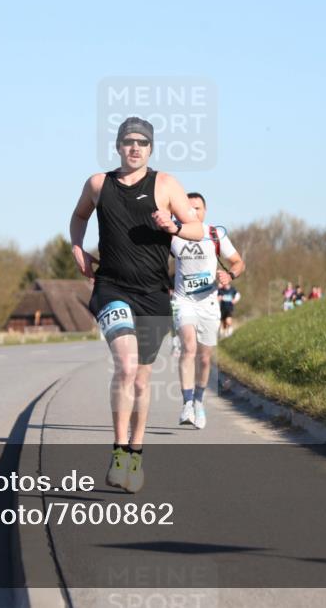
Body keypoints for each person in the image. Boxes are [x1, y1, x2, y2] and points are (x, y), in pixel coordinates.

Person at [70, 116, 203, 493]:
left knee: (142, 380)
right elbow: (79, 216)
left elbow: (195, 228)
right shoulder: (99, 184)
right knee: (126, 366)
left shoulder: (166, 184)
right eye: (128, 141)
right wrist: (78, 247)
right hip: (112, 286)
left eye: (142, 143)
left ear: (150, 148)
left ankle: (135, 453)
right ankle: (116, 451)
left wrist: (172, 226)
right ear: (118, 146)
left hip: (153, 295)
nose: (135, 148)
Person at [171, 193, 244, 429]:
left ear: (205, 211)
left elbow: (238, 262)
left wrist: (229, 274)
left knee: (205, 358)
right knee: (189, 347)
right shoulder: (173, 235)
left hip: (209, 303)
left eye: (198, 208)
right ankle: (187, 403)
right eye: (189, 208)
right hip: (184, 301)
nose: (193, 212)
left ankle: (199, 401)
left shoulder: (215, 235)